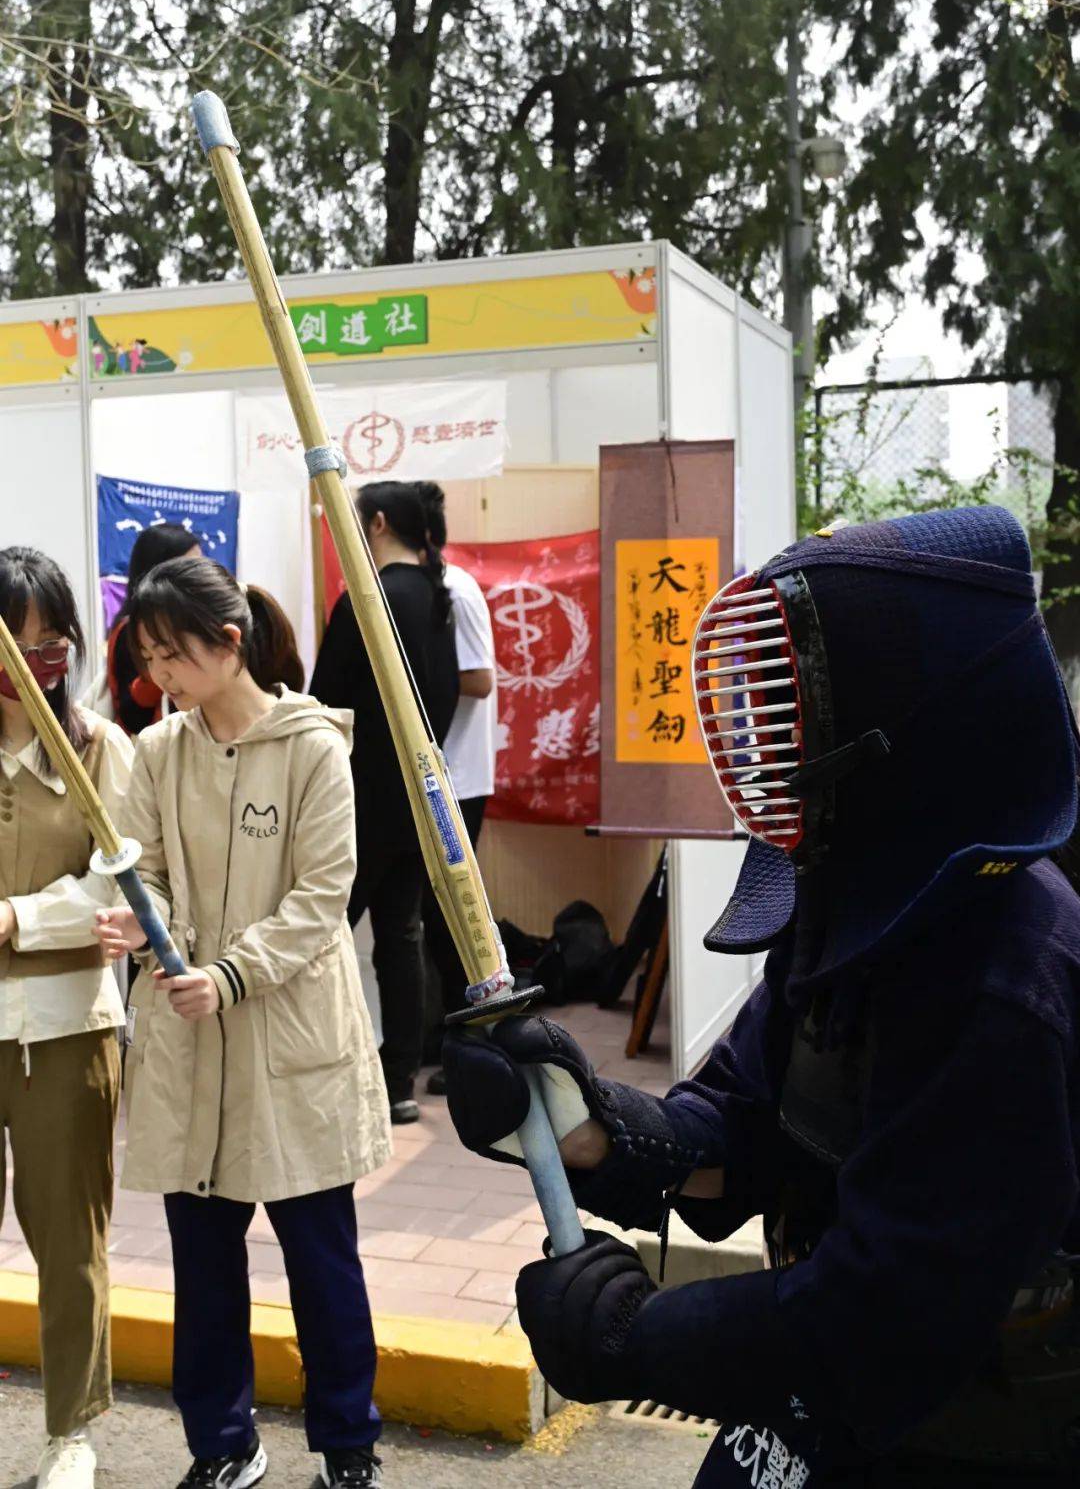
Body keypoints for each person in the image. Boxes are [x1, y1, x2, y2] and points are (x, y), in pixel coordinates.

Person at [443, 505, 1080, 1488]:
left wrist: (636, 1336)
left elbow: (891, 1312)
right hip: (831, 1408)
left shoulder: (1006, 980)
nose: (759, 738)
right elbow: (745, 1113)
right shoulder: (864, 890)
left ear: (904, 721)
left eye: (790, 706)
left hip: (958, 1435)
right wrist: (587, 1128)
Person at [92, 557, 391, 1489]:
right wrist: (148, 935)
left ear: (230, 643)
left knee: (321, 1261)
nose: (163, 676)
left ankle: (349, 1447)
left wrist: (229, 973)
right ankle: (224, 1445)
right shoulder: (157, 752)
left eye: (173, 654)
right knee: (205, 1268)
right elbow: (151, 877)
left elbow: (321, 897)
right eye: (149, 658)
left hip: (287, 1039)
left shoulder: (314, 748)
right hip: (192, 1039)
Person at [0, 546, 134, 1489]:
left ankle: (70, 1433)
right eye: (19, 643)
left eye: (55, 644)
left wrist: (17, 918)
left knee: (66, 1240)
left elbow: (120, 877)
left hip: (65, 1026)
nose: (39, 663)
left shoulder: (99, 748)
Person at [310, 481, 458, 1125]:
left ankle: (321, 1067)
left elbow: (323, 702)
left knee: (321, 932)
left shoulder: (368, 599)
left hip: (359, 795)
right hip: (419, 794)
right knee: (401, 935)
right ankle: (398, 1078)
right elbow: (451, 695)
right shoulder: (435, 594)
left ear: (373, 524)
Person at [412, 481, 498, 1094]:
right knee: (423, 916)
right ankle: (439, 1042)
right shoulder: (419, 590)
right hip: (432, 780)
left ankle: (470, 1046)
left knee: (454, 919)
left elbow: (480, 680)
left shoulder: (456, 589)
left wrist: (415, 677)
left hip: (459, 779)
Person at [83, 523, 201, 736]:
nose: (200, 578)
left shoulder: (199, 625)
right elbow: (132, 717)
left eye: (201, 568)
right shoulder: (131, 631)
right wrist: (163, 670)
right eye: (189, 569)